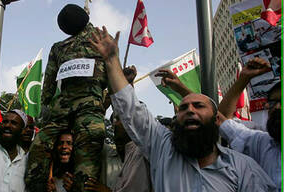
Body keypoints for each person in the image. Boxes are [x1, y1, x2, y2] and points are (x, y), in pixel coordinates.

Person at [88, 26, 276, 191]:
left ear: (216, 119)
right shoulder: (162, 149)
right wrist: (112, 61)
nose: (190, 110)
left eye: (199, 106)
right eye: (183, 107)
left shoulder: (243, 168)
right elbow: (131, 109)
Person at [26, 4, 108, 191]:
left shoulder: (97, 39)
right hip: (74, 105)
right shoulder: (62, 47)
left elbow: (112, 68)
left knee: (84, 143)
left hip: (81, 104)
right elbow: (49, 80)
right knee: (43, 144)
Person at [217, 57, 281, 191]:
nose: (277, 107)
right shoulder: (261, 143)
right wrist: (244, 79)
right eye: (273, 103)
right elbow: (221, 118)